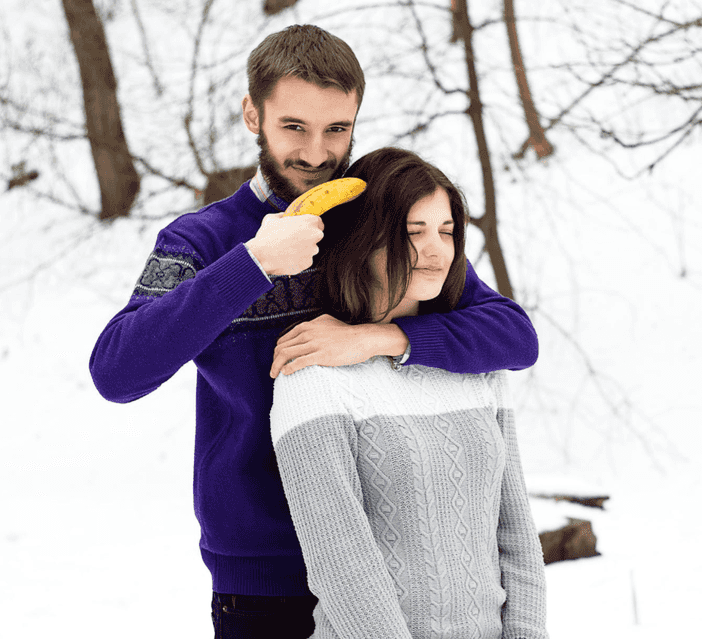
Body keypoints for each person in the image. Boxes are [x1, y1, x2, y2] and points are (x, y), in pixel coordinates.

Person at [88, 25, 538, 639]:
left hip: (392, 570)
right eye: (294, 127)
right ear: (253, 114)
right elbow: (116, 371)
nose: (316, 152)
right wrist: (253, 264)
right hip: (264, 580)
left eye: (337, 129)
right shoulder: (203, 241)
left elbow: (512, 334)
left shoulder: (374, 222)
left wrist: (377, 339)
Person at [271, 147, 548, 639]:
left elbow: (516, 536)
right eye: (413, 232)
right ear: (364, 240)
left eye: (447, 231)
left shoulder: (476, 365)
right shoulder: (313, 378)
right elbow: (342, 566)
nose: (436, 250)